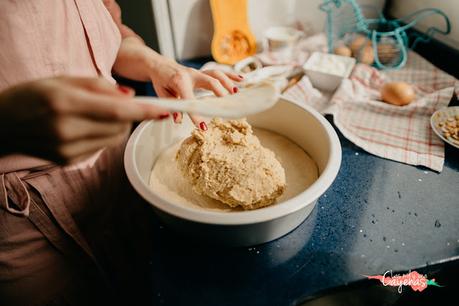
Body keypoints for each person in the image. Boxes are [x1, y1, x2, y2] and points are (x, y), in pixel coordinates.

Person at [0, 1, 241, 305]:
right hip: (24, 220)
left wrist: (157, 64)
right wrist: (8, 126)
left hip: (118, 172)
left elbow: (110, 37)